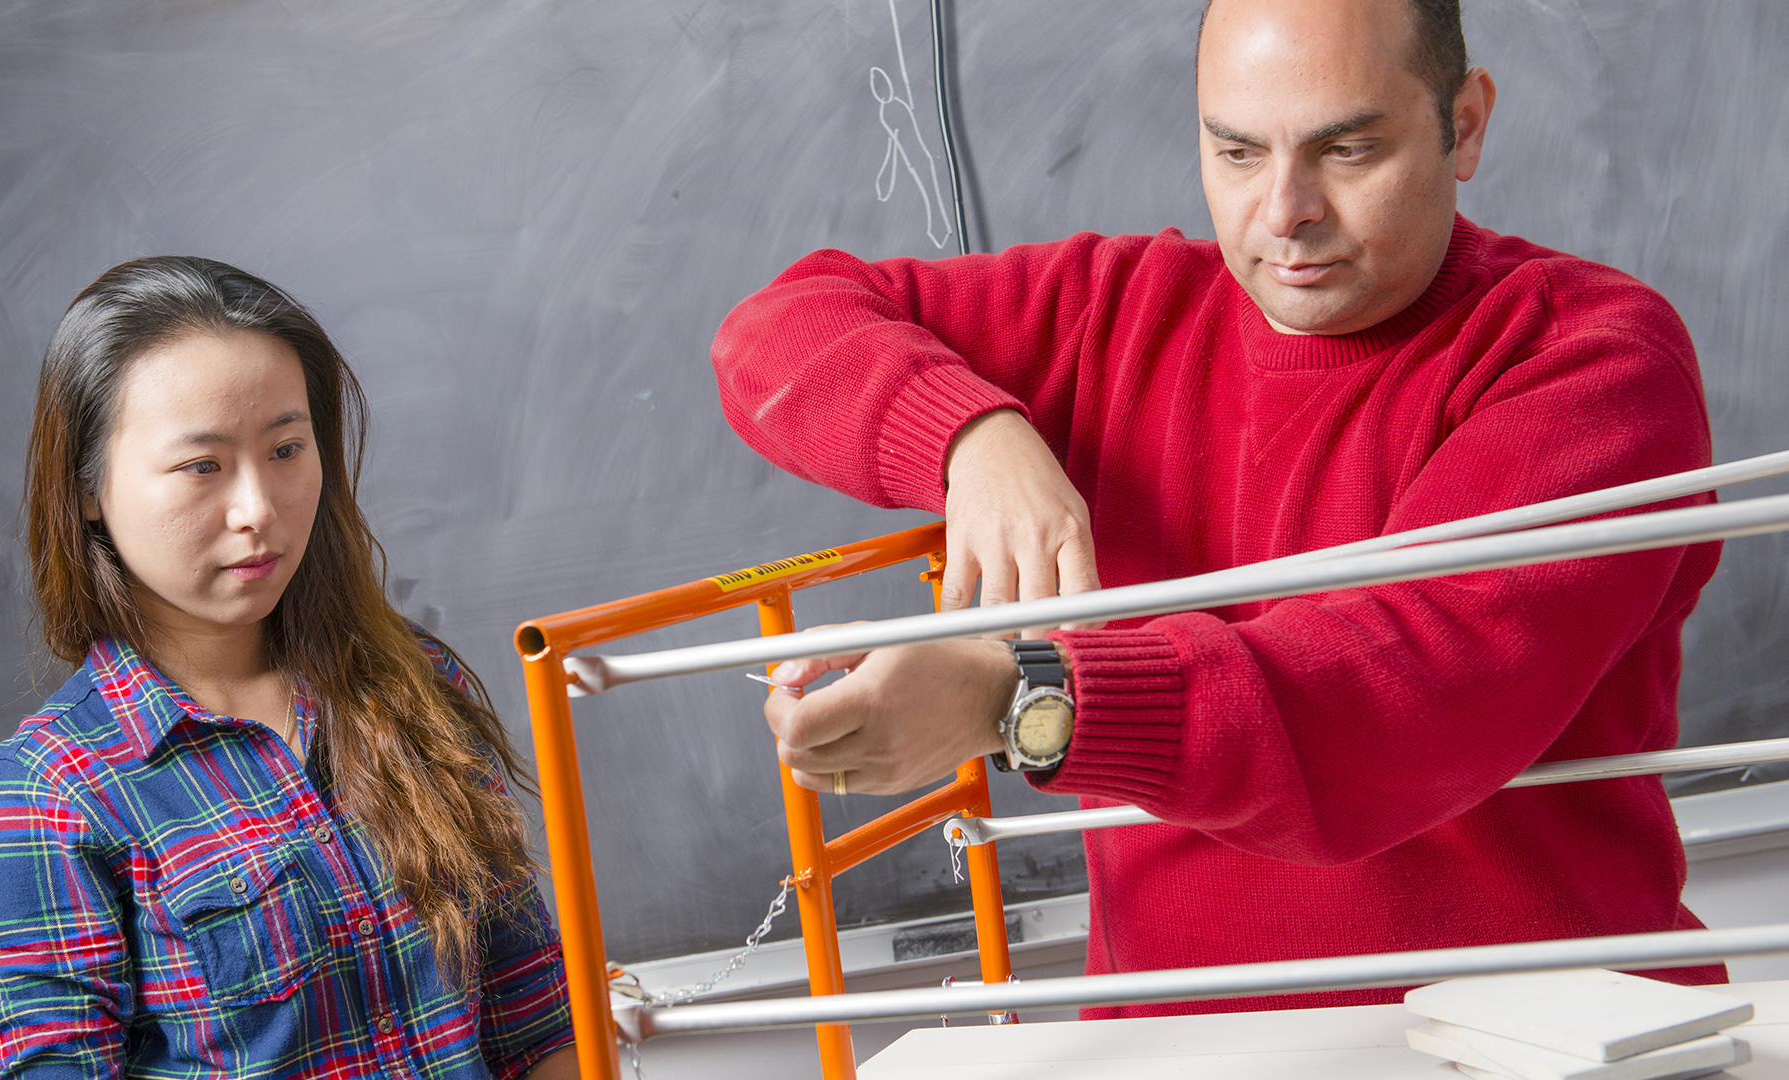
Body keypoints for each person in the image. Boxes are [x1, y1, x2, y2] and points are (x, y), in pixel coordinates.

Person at [710, 0, 1726, 1017]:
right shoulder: (1116, 311)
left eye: (1350, 149)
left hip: (1552, 1039)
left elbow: (1395, 702)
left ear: (1464, 125)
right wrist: (972, 440)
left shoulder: (1590, 358)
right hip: (1171, 1045)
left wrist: (1017, 700)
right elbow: (774, 332)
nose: (1284, 211)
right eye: (1237, 152)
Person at [0, 257, 578, 1078]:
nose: (258, 509)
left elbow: (533, 1013)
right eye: (201, 466)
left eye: (287, 448)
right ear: (87, 488)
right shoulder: (48, 795)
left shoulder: (411, 686)